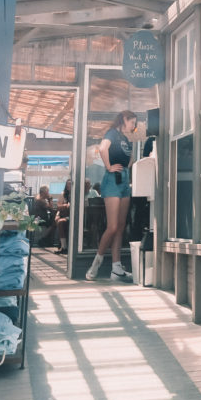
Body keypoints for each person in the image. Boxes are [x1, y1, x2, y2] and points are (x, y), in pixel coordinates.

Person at [85, 110, 137, 281]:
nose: (134, 126)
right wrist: (108, 166)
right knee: (113, 226)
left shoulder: (127, 139)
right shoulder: (112, 133)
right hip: (112, 180)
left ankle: (116, 268)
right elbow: (102, 148)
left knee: (121, 226)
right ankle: (95, 265)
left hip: (124, 180)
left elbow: (130, 161)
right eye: (132, 122)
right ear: (124, 119)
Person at [54, 180, 71, 254]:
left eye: (70, 184)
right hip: (64, 215)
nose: (69, 186)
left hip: (73, 216)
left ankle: (62, 246)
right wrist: (65, 206)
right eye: (67, 185)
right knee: (58, 221)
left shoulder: (77, 194)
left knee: (60, 222)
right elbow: (58, 207)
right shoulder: (63, 194)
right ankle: (63, 246)